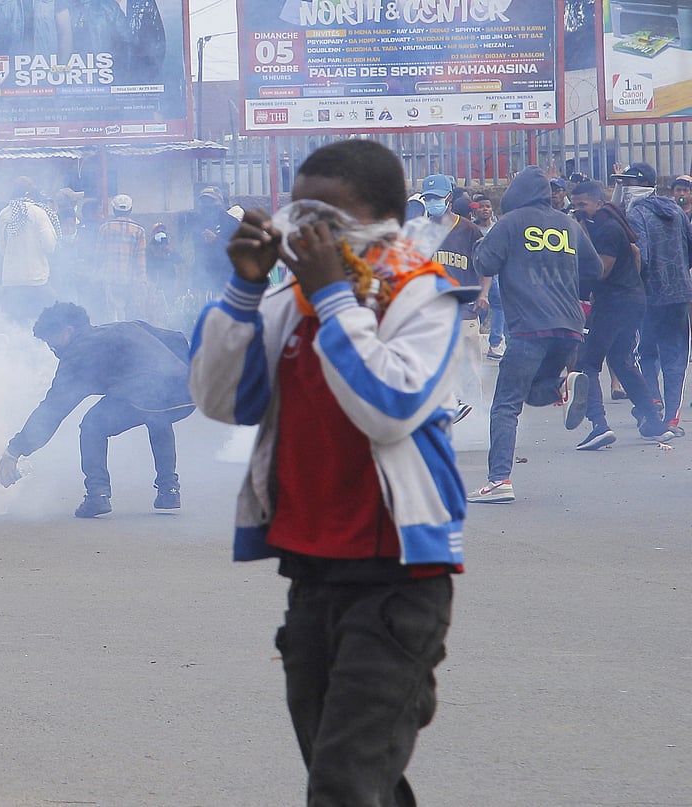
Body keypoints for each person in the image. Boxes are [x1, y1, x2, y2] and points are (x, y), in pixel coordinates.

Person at [188, 139, 466, 807]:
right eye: (300, 211)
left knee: (344, 785)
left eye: (327, 217)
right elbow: (221, 400)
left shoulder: (422, 294)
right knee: (346, 775)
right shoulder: (291, 302)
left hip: (397, 578)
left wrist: (337, 300)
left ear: (378, 222)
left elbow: (390, 407)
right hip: (311, 571)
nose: (305, 231)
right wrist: (245, 288)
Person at [469, 166, 602, 504]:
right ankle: (563, 386)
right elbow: (595, 269)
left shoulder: (510, 224)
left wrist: (484, 243)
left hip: (529, 327)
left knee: (505, 406)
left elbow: (485, 264)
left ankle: (499, 479)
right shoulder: (568, 224)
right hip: (570, 326)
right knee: (534, 391)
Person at [0, 301, 194, 518]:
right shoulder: (128, 326)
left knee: (93, 424)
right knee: (157, 415)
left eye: (50, 340)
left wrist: (14, 450)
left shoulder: (78, 354)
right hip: (186, 391)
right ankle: (169, 490)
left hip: (151, 393)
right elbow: (177, 338)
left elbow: (52, 411)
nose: (50, 348)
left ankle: (97, 495)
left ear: (68, 332)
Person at [568, 181, 672, 449]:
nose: (579, 211)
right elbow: (635, 253)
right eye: (575, 205)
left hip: (615, 304)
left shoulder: (604, 228)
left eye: (583, 205)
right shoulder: (609, 223)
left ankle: (599, 425)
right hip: (629, 300)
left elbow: (600, 270)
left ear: (598, 203)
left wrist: (581, 236)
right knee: (621, 360)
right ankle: (653, 423)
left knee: (587, 365)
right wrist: (630, 285)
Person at [613, 161, 692, 437]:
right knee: (676, 358)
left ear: (635, 185)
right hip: (680, 294)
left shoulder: (636, 213)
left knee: (645, 352)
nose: (622, 188)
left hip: (649, 296)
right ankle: (672, 418)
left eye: (625, 183)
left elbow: (641, 258)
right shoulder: (676, 210)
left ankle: (652, 400)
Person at [421, 173, 484, 421]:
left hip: (465, 309)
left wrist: (484, 294)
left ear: (449, 198)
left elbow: (485, 266)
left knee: (470, 369)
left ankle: (478, 420)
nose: (432, 203)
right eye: (428, 198)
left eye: (436, 198)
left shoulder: (469, 230)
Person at [0, 176, 59, 322]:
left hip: (11, 280)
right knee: (40, 323)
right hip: (36, 281)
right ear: (31, 194)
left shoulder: (4, 213)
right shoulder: (39, 213)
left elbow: (1, 249)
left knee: (13, 325)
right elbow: (50, 246)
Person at [97, 193, 147, 321]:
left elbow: (99, 254)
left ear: (114, 210)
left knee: (112, 313)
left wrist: (96, 273)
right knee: (127, 313)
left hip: (110, 278)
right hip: (130, 279)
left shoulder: (105, 228)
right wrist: (142, 280)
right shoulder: (139, 230)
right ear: (130, 210)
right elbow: (140, 258)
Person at [184, 185, 237, 296]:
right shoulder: (197, 223)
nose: (207, 205)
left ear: (220, 202)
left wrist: (217, 240)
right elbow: (195, 253)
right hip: (203, 279)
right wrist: (195, 282)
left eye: (211, 201)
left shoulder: (232, 223)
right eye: (204, 201)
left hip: (225, 279)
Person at [471, 193, 505, 359]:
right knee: (480, 308)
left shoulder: (498, 227)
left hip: (496, 274)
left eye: (488, 206)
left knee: (499, 305)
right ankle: (474, 334)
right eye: (481, 206)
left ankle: (495, 343)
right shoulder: (472, 229)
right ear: (475, 210)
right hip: (478, 275)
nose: (485, 210)